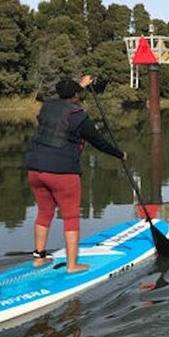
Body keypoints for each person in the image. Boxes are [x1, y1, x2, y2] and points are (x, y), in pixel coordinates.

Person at [25, 76, 126, 273]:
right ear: (77, 95)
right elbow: (100, 143)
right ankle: (72, 266)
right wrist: (120, 154)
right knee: (71, 216)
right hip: (62, 172)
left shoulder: (47, 106)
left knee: (44, 212)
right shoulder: (79, 117)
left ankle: (39, 258)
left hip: (35, 169)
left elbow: (65, 96)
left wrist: (80, 85)